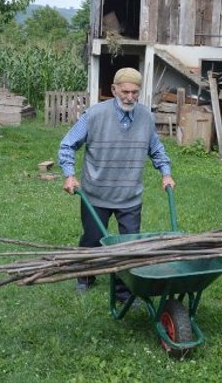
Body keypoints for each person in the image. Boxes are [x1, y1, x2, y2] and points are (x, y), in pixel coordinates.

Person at [58, 67, 175, 301]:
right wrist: (69, 174)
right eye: (125, 91)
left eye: (135, 92)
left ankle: (124, 291)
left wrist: (166, 173)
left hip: (129, 196)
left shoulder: (145, 117)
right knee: (91, 240)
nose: (130, 97)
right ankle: (85, 276)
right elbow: (67, 145)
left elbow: (156, 149)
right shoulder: (94, 115)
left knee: (128, 247)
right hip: (96, 194)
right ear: (114, 89)